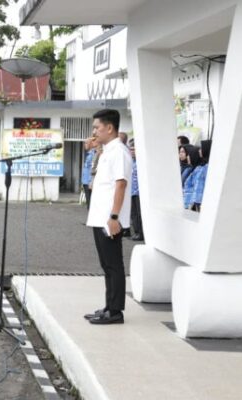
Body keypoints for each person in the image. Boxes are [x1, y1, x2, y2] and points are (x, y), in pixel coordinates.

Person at [84, 109, 132, 325]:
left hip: (109, 219)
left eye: (97, 127)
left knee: (113, 264)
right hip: (99, 216)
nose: (94, 132)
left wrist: (114, 217)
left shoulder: (119, 151)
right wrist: (95, 148)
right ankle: (109, 306)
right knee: (106, 264)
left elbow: (121, 184)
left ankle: (115, 311)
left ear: (109, 128)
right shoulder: (107, 150)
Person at [129, 139, 144, 241]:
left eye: (134, 149)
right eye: (131, 149)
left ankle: (142, 233)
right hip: (131, 191)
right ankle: (136, 232)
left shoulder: (142, 162)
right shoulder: (131, 162)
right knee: (133, 213)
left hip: (139, 192)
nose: (132, 151)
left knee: (140, 214)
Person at [182, 145, 203, 209]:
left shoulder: (197, 169)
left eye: (189, 155)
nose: (187, 157)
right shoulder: (192, 169)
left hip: (191, 204)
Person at [82, 136, 97, 209]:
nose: (85, 145)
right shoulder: (89, 154)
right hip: (86, 181)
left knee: (91, 204)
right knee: (88, 203)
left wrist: (91, 181)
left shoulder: (94, 154)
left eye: (86, 143)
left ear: (92, 144)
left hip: (89, 182)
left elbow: (93, 169)